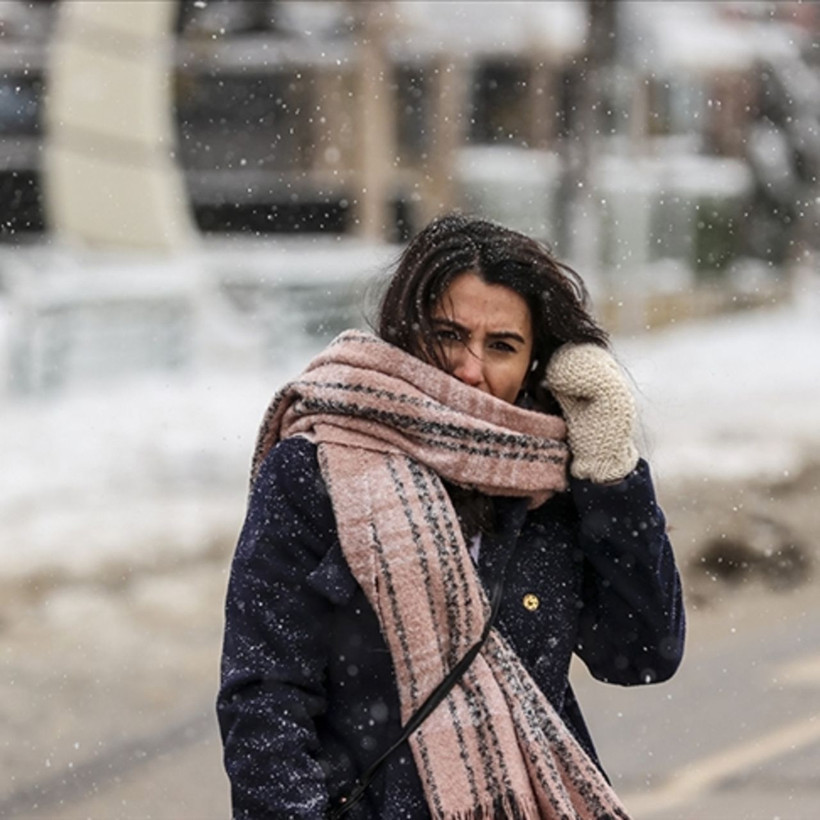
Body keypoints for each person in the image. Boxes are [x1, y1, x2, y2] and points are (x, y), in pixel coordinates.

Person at [217, 213, 685, 819]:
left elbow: (643, 653)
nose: (469, 368)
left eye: (502, 346)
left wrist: (609, 468)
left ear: (535, 364)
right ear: (405, 333)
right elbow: (265, 698)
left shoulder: (549, 485)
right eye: (447, 335)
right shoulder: (316, 469)